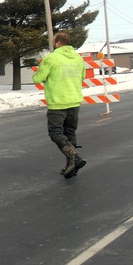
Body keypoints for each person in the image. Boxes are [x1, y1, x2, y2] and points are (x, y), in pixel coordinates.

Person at [33, 31, 87, 178]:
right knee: (70, 133)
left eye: (53, 41)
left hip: (58, 103)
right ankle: (70, 166)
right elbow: (83, 76)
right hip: (74, 101)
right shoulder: (78, 58)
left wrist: (39, 70)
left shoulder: (51, 58)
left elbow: (38, 78)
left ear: (57, 43)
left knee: (55, 133)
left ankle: (74, 158)